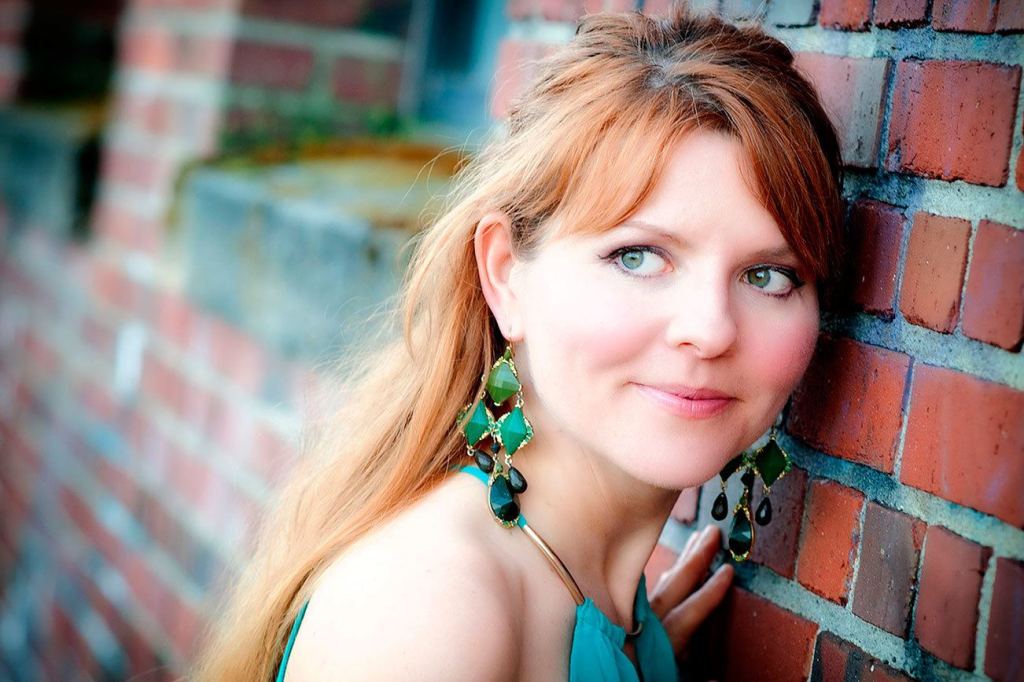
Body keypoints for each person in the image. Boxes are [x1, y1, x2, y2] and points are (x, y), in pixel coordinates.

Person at [194, 2, 844, 680]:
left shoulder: (582, 602)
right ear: (505, 275)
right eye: (638, 257)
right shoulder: (430, 612)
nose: (710, 330)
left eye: (768, 276)